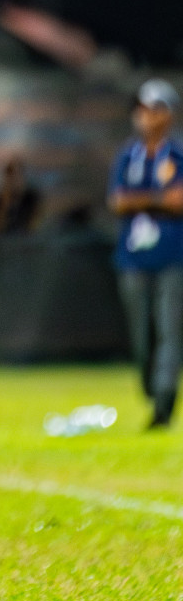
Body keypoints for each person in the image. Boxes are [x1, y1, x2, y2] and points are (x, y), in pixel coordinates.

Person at [107, 79, 183, 430]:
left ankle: (165, 401)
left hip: (173, 255)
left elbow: (179, 201)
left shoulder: (178, 155)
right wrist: (157, 200)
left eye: (153, 109)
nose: (145, 116)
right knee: (142, 335)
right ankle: (153, 387)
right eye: (141, 109)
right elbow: (118, 201)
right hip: (134, 257)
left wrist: (139, 200)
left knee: (170, 329)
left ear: (168, 114)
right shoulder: (127, 155)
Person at [0, 157, 42, 235]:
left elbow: (35, 224)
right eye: (11, 175)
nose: (16, 180)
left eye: (19, 175)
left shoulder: (31, 198)